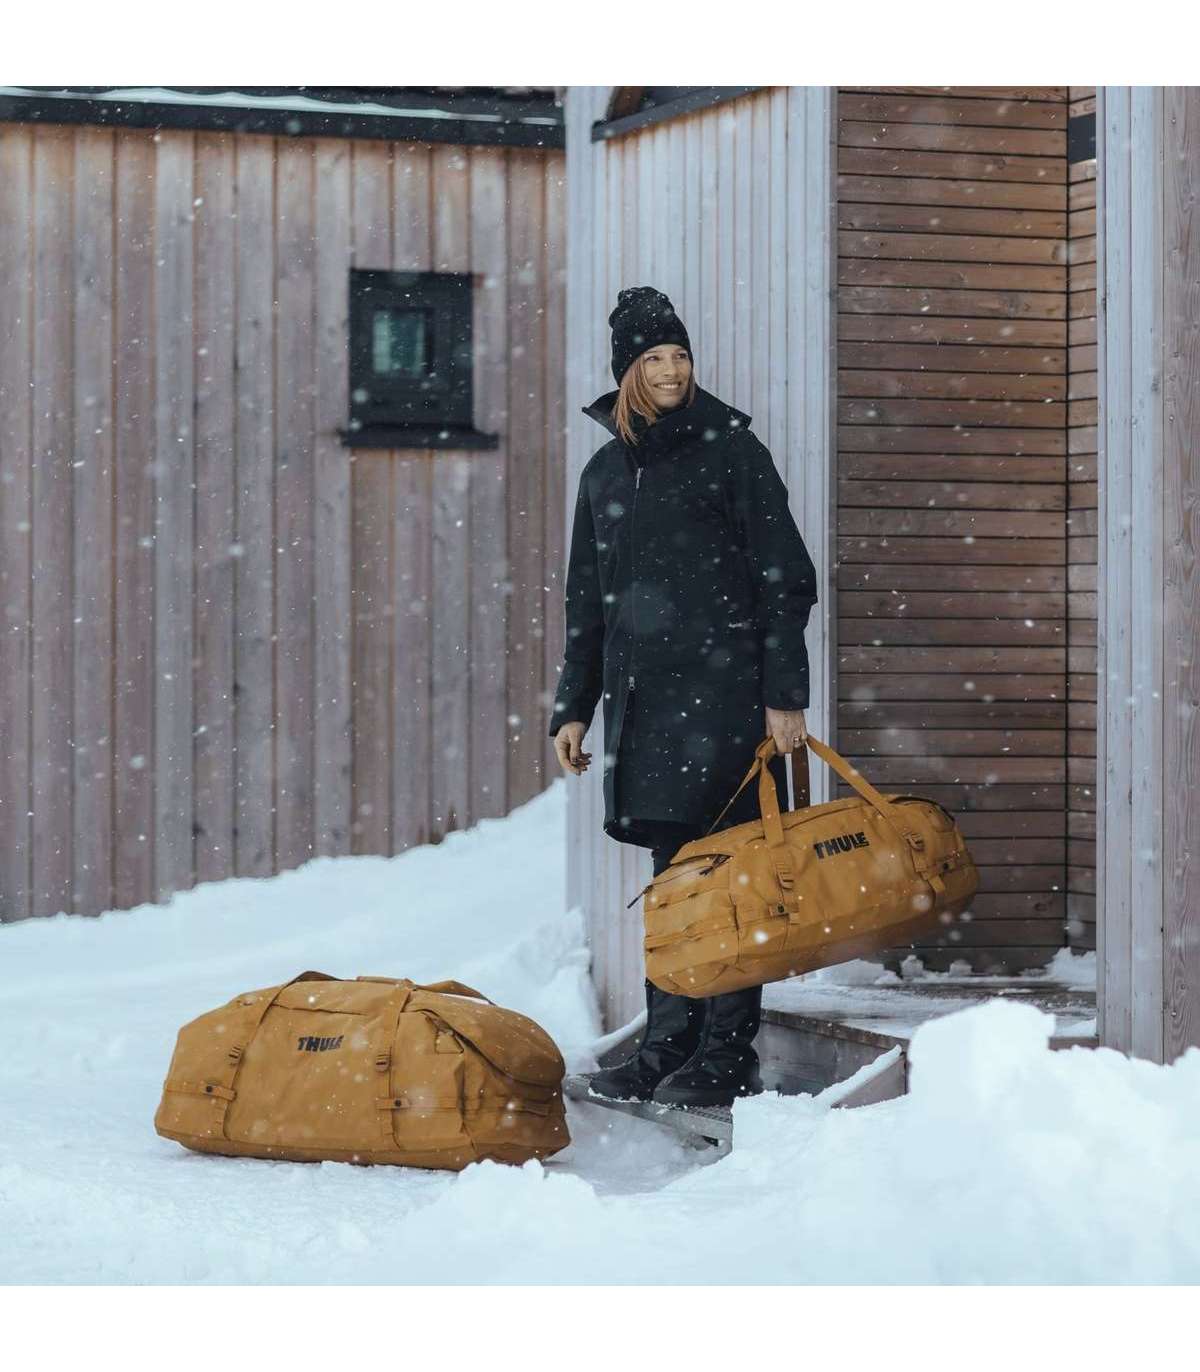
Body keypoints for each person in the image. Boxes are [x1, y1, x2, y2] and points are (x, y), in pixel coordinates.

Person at [548, 285, 818, 1109]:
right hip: (646, 713)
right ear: (627, 370)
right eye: (654, 357)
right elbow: (586, 602)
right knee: (672, 884)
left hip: (727, 702)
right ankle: (667, 1046)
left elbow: (786, 579)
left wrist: (784, 696)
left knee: (733, 877)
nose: (671, 370)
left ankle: (724, 1054)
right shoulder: (605, 472)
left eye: (680, 355)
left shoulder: (732, 452)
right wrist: (573, 706)